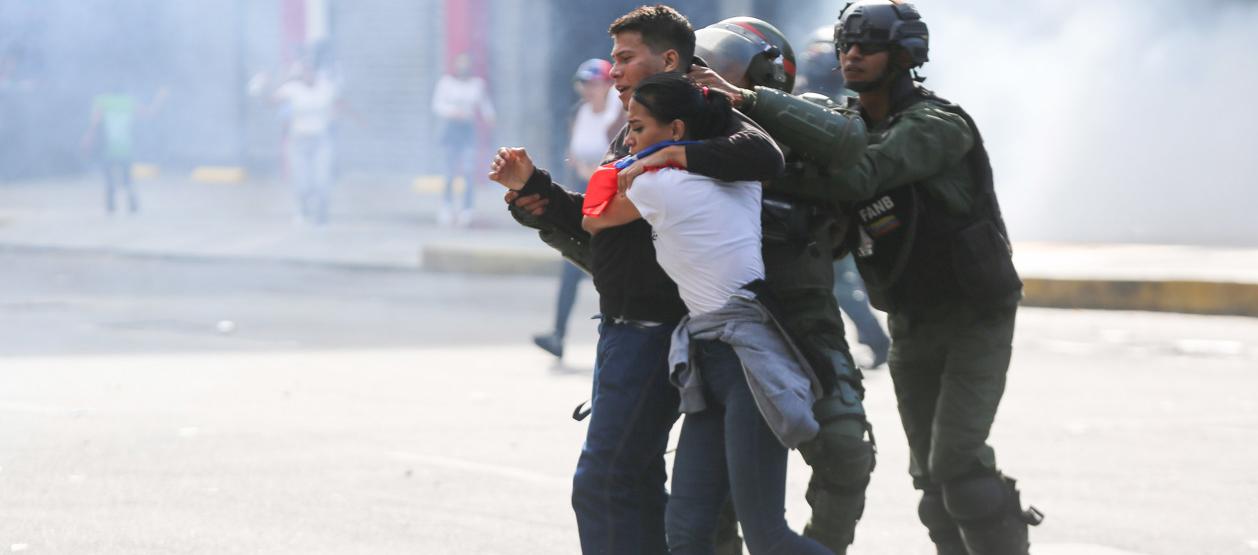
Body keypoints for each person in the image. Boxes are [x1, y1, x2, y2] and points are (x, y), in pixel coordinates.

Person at [703, 2, 1043, 552]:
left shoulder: (936, 125)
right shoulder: (846, 122)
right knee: (933, 482)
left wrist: (751, 114)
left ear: (904, 55)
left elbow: (860, 174)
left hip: (973, 312)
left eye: (868, 46)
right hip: (910, 315)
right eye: (846, 46)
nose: (852, 55)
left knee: (960, 469)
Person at [488, 6, 784, 554]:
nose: (614, 70)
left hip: (657, 331)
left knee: (602, 484)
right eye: (613, 58)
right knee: (636, 482)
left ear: (669, 59)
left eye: (626, 58)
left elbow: (765, 154)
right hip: (620, 330)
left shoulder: (700, 114)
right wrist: (537, 192)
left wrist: (674, 152)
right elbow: (597, 216)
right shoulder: (633, 124)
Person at [581, 71, 834, 555]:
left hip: (744, 363)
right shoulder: (739, 177)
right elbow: (753, 149)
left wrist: (649, 161)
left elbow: (594, 216)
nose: (628, 139)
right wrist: (668, 152)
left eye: (636, 128)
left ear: (675, 130)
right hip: (711, 354)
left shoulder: (660, 188)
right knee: (687, 530)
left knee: (766, 536)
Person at [691, 17, 875, 554]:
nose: (711, 78)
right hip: (725, 322)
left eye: (726, 69)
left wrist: (747, 102)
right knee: (718, 485)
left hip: (804, 315)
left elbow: (847, 142)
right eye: (707, 67)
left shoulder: (806, 122)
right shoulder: (686, 133)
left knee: (845, 449)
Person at [796, 26, 891, 369]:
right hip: (826, 214)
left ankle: (875, 342)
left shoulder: (841, 111)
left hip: (830, 215)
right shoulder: (805, 102)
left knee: (837, 284)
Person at [533, 58, 623, 360]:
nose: (588, 90)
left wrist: (594, 172)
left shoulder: (620, 114)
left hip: (612, 204)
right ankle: (558, 335)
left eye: (594, 84)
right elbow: (573, 155)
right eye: (584, 84)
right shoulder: (580, 113)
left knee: (610, 270)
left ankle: (615, 337)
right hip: (585, 201)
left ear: (608, 84)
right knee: (572, 266)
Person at [272, 60, 342, 225]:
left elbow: (337, 104)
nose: (307, 75)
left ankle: (322, 212)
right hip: (299, 141)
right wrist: (281, 79)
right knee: (301, 180)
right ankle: (302, 208)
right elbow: (272, 100)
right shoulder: (292, 89)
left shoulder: (326, 87)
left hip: (321, 141)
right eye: (304, 71)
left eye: (310, 71)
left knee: (322, 179)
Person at [432, 52, 495, 227]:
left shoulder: (477, 85)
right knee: (449, 170)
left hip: (468, 130)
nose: (463, 67)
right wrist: (453, 112)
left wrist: (490, 118)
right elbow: (437, 105)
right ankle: (447, 206)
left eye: (466, 63)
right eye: (460, 63)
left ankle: (467, 209)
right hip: (451, 130)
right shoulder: (446, 83)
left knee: (468, 171)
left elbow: (485, 105)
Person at [81, 87, 167, 214]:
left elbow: (94, 123)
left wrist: (87, 139)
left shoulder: (102, 101)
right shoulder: (128, 102)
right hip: (125, 148)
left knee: (110, 183)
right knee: (128, 182)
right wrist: (160, 98)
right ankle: (132, 208)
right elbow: (150, 113)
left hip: (108, 149)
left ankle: (112, 212)